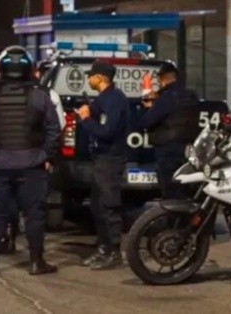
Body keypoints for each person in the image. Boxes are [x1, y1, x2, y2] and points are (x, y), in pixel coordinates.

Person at [0, 46, 62, 275]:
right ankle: (36, 262)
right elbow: (54, 130)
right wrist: (46, 155)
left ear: (0, 69)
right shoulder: (40, 98)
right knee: (34, 215)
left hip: (0, 166)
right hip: (32, 166)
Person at [77, 60, 130, 270]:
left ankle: (114, 251)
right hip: (101, 159)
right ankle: (103, 248)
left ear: (99, 78)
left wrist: (86, 119)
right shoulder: (103, 99)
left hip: (111, 159)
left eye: (91, 75)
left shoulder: (115, 99)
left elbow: (107, 131)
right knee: (97, 206)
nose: (88, 79)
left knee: (109, 206)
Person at [136, 61, 200, 200]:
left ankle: (175, 221)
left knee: (171, 195)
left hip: (168, 153)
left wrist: (148, 107)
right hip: (189, 151)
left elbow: (146, 122)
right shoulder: (192, 96)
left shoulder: (167, 97)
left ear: (162, 79)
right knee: (185, 194)